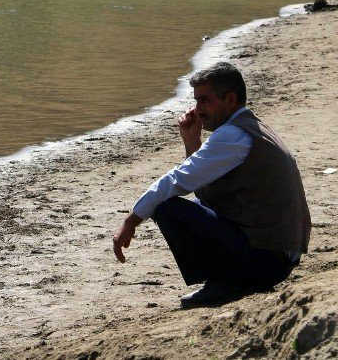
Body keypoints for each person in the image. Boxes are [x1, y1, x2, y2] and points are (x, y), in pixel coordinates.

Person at [112, 62, 311, 309]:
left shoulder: (233, 136)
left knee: (166, 207)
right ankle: (226, 280)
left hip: (267, 260)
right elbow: (205, 192)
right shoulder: (249, 128)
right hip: (276, 256)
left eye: (205, 101)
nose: (198, 110)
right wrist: (192, 142)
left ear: (230, 99)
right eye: (196, 101)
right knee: (190, 205)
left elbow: (177, 180)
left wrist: (130, 222)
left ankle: (225, 284)